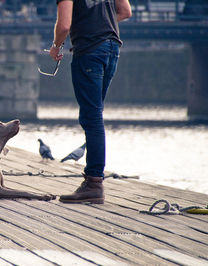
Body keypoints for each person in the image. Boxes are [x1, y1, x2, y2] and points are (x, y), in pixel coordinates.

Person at [49, 0, 132, 204]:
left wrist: (55, 47)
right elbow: (125, 11)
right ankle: (94, 181)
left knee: (92, 117)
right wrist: (99, 26)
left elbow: (64, 25)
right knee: (95, 115)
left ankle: (94, 183)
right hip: (112, 48)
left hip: (90, 51)